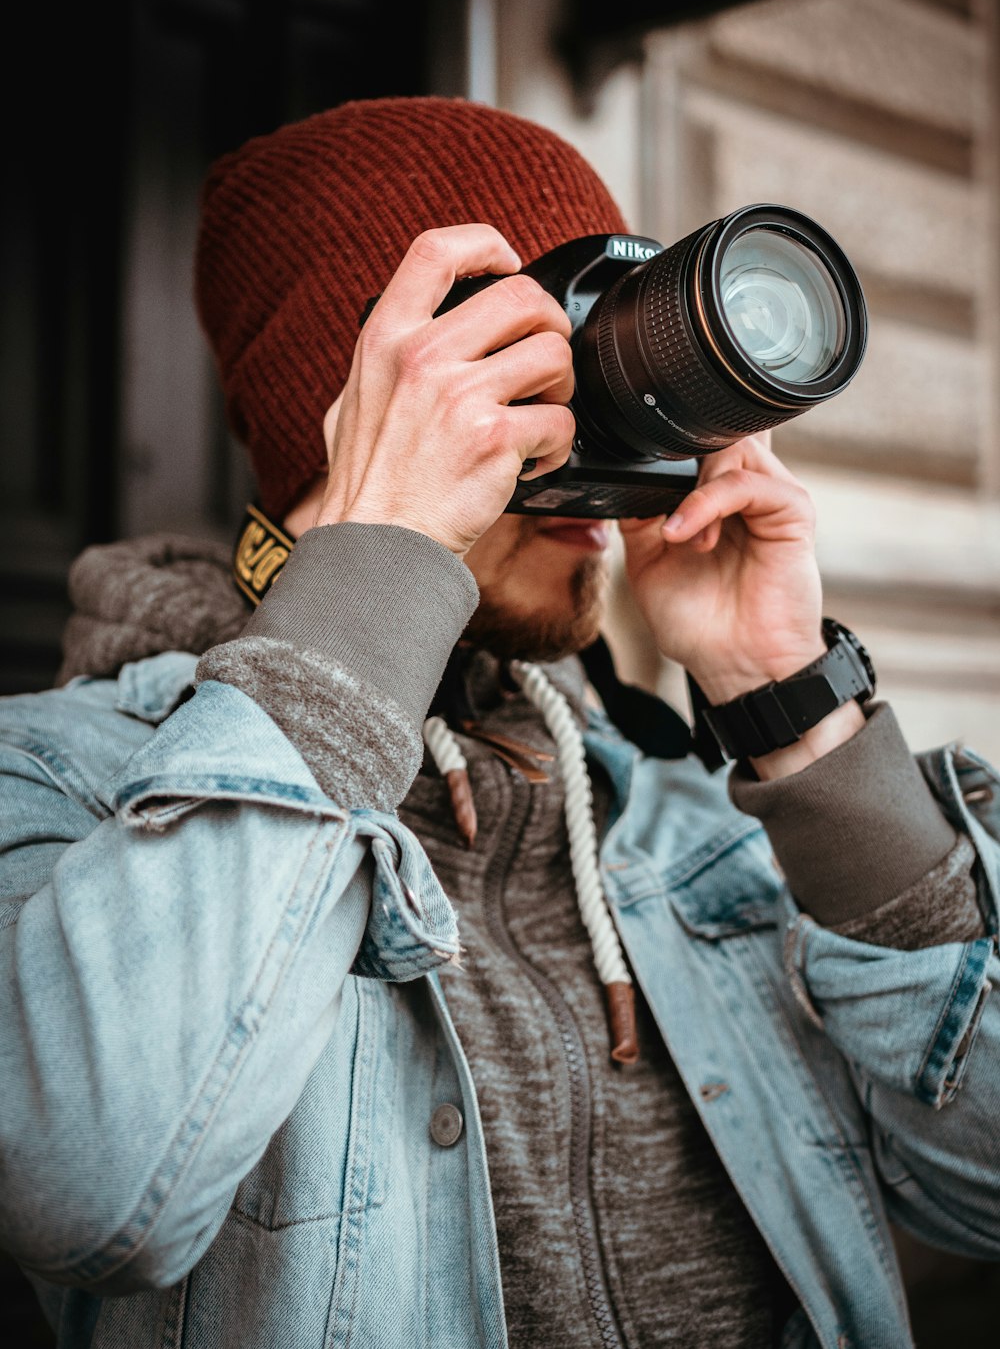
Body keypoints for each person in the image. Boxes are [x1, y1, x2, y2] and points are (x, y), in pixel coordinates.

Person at [0, 95, 997, 1349]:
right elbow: (86, 1194)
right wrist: (386, 556)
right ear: (364, 412)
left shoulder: (682, 806)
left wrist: (791, 705)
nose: (595, 424)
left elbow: (987, 1188)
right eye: (525, 376)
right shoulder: (51, 781)